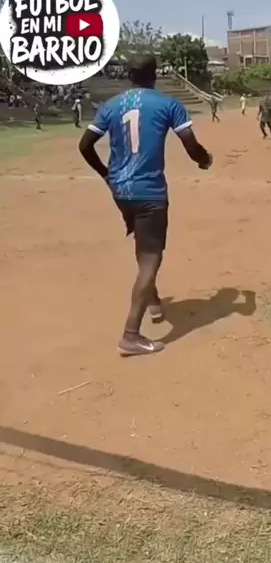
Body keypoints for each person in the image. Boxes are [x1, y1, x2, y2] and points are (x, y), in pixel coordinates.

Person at [78, 53, 213, 357]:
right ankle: (130, 335)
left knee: (143, 244)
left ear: (129, 76)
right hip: (149, 191)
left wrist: (106, 175)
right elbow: (191, 145)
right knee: (151, 257)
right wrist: (205, 160)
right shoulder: (168, 104)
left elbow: (84, 145)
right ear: (156, 74)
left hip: (120, 191)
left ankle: (152, 301)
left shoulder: (111, 105)